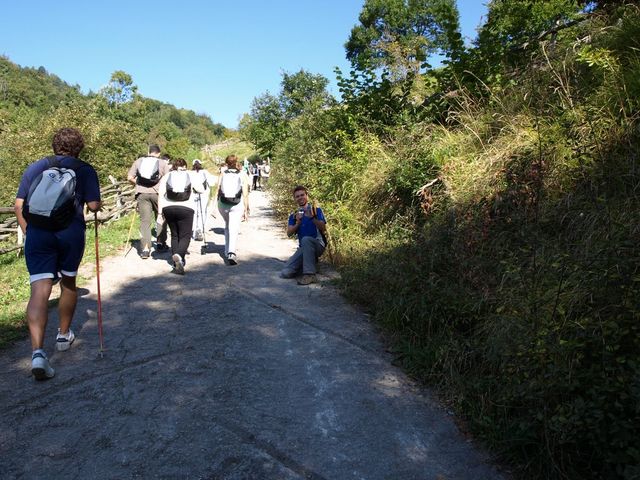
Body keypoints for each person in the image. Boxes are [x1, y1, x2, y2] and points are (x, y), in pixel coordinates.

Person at [14, 128, 101, 380]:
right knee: (69, 282)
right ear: (79, 147)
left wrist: (28, 231)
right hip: (70, 233)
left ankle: (38, 353)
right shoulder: (84, 169)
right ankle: (63, 335)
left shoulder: (36, 167)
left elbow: (19, 205)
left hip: (38, 233)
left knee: (40, 288)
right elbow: (93, 205)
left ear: (54, 146)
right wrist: (95, 202)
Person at [127, 144, 170, 258]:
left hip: (142, 194)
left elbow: (129, 177)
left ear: (149, 151)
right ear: (159, 153)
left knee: (145, 222)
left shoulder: (139, 161)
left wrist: (139, 184)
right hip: (158, 194)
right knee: (160, 217)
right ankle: (160, 243)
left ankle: (145, 249)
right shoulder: (163, 163)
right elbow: (168, 179)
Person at [280, 185, 327, 285]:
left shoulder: (316, 210)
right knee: (285, 272)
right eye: (297, 196)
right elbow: (289, 233)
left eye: (302, 195)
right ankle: (309, 264)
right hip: (303, 248)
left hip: (317, 245)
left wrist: (312, 218)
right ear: (295, 199)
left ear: (307, 196)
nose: (300, 198)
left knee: (306, 239)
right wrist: (298, 223)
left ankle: (310, 275)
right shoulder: (294, 214)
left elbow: (323, 228)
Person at [158, 158, 195, 274]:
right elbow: (200, 188)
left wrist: (160, 212)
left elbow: (160, 194)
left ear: (173, 166)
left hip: (168, 208)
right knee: (185, 235)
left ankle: (177, 263)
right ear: (185, 166)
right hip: (186, 208)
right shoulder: (190, 175)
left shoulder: (167, 176)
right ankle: (179, 255)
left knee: (174, 235)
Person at [214, 154, 250, 265]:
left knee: (227, 225)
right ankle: (231, 252)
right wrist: (246, 208)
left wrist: (214, 207)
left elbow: (218, 189)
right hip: (237, 203)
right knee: (233, 228)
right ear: (236, 162)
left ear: (226, 163)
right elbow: (245, 193)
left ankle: (226, 250)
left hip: (223, 204)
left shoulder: (223, 173)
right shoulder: (242, 174)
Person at [190, 159, 216, 241]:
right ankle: (200, 229)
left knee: (194, 212)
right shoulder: (205, 172)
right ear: (200, 164)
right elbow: (212, 183)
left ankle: (193, 230)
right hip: (203, 194)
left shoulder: (190, 173)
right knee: (202, 212)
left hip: (192, 194)